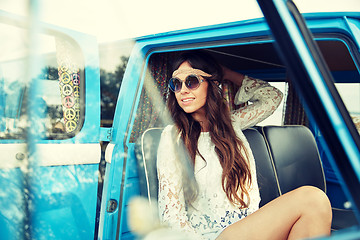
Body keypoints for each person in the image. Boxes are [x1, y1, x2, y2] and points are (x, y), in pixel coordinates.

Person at [156, 50, 332, 240]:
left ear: (212, 84)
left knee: (314, 209)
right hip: (212, 236)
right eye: (176, 84)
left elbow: (272, 97)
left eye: (191, 81)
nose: (183, 90)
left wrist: (227, 74)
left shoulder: (233, 124)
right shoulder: (173, 137)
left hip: (250, 227)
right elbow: (172, 217)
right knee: (313, 200)